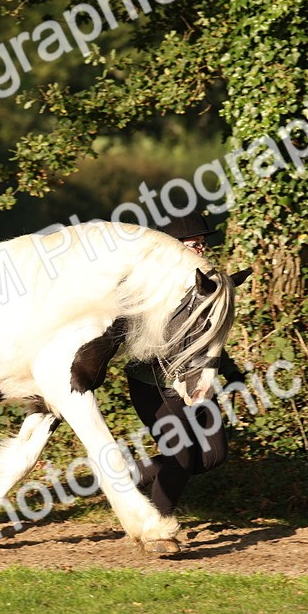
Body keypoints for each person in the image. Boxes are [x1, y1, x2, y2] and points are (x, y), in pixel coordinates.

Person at [123, 211, 245, 517]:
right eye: (195, 244)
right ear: (174, 247)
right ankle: (157, 524)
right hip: (156, 386)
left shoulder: (206, 283)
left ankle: (123, 477)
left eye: (202, 243)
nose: (202, 249)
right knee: (180, 457)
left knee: (212, 456)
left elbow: (207, 337)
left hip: (198, 380)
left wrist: (230, 372)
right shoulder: (151, 287)